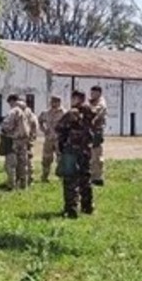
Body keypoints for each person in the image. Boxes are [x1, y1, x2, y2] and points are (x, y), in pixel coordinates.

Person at [55, 90, 96, 218]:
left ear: (76, 99)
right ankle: (87, 206)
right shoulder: (91, 112)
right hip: (86, 150)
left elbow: (59, 127)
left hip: (72, 149)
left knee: (70, 180)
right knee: (85, 178)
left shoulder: (72, 113)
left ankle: (71, 209)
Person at [0, 94, 29, 190]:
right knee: (22, 163)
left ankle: (11, 185)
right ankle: (23, 185)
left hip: (13, 140)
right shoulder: (26, 111)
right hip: (24, 140)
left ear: (11, 101)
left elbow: (6, 125)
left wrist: (4, 130)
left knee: (11, 164)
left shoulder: (14, 111)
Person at [39, 96, 65, 182]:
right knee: (46, 158)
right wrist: (43, 129)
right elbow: (40, 121)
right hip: (49, 139)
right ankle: (45, 176)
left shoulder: (64, 113)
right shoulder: (46, 113)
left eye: (56, 102)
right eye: (52, 102)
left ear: (59, 102)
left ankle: (61, 177)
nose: (54, 104)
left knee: (61, 158)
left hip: (60, 139)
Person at [88, 86, 107, 186]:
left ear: (99, 93)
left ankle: (97, 177)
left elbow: (94, 113)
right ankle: (92, 175)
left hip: (97, 131)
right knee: (91, 154)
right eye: (91, 93)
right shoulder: (92, 102)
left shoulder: (101, 103)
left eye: (94, 93)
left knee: (96, 154)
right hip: (91, 130)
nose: (92, 95)